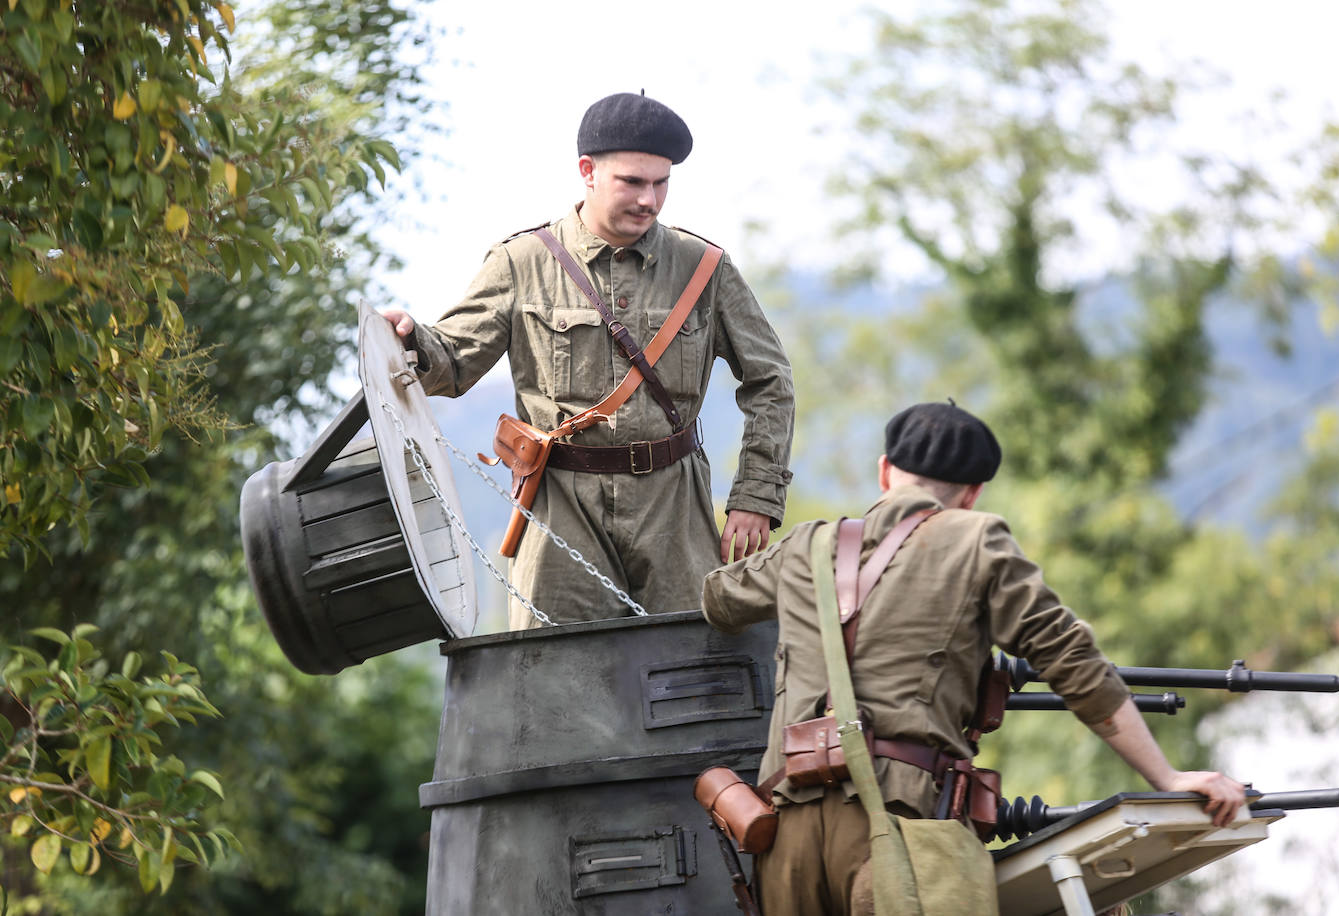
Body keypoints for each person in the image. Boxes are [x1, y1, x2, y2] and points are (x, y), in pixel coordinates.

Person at [701, 401, 1248, 916]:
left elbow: (718, 599)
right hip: (900, 831)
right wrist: (1167, 778)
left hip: (783, 841)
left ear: (885, 471)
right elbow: (1074, 664)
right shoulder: (977, 539)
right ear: (972, 494)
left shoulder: (807, 545)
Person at [382, 92, 794, 628]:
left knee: (696, 672)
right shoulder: (522, 262)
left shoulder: (705, 267)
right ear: (588, 172)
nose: (649, 200)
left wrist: (757, 495)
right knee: (551, 681)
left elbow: (771, 380)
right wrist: (411, 342)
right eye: (633, 182)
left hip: (675, 505)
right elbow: (453, 362)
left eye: (661, 183)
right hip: (560, 507)